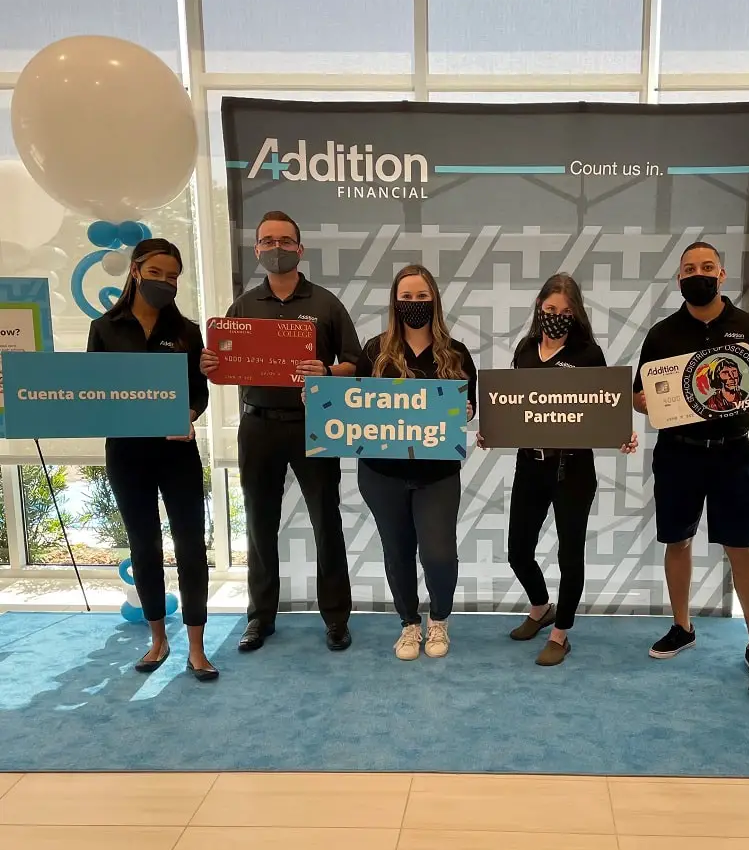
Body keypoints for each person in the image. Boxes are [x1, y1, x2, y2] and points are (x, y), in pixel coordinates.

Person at [201, 211, 361, 654]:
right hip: (257, 425)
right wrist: (210, 365)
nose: (277, 248)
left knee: (326, 522)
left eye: (285, 241)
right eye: (268, 241)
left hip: (314, 424)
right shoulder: (242, 307)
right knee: (259, 524)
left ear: (300, 249)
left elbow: (354, 363)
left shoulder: (326, 304)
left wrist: (326, 370)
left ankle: (336, 618)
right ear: (257, 250)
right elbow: (223, 366)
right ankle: (260, 617)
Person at [633, 241, 749, 683]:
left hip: (733, 453)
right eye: (690, 268)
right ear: (679, 278)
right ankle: (683, 626)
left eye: (707, 266)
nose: (699, 274)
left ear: (722, 274)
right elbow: (639, 396)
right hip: (678, 453)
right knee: (677, 542)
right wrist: (648, 402)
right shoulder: (662, 334)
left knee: (741, 549)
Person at [482, 273, 637, 667]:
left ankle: (560, 634)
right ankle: (540, 607)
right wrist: (492, 430)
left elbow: (607, 407)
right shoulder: (525, 349)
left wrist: (621, 434)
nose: (556, 316)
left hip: (574, 469)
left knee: (570, 554)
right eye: (550, 308)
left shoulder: (588, 354)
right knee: (518, 551)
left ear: (576, 314)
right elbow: (512, 405)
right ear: (539, 307)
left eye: (565, 311)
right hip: (530, 465)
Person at [87, 238, 218, 682]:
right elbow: (92, 389)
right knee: (144, 546)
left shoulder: (186, 331)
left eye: (173, 276)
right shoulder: (104, 328)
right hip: (126, 452)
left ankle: (197, 647)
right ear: (136, 271)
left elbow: (199, 392)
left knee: (191, 545)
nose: (165, 282)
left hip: (177, 451)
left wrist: (190, 414)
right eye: (157, 272)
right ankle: (158, 639)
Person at [355, 264, 477, 661]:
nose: (414, 303)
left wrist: (468, 411)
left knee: (439, 555)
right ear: (394, 302)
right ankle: (409, 624)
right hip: (382, 473)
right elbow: (352, 403)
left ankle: (439, 619)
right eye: (406, 297)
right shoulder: (374, 351)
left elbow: (470, 406)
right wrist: (318, 400)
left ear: (434, 301)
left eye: (422, 296)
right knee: (397, 552)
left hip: (436, 474)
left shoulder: (456, 353)